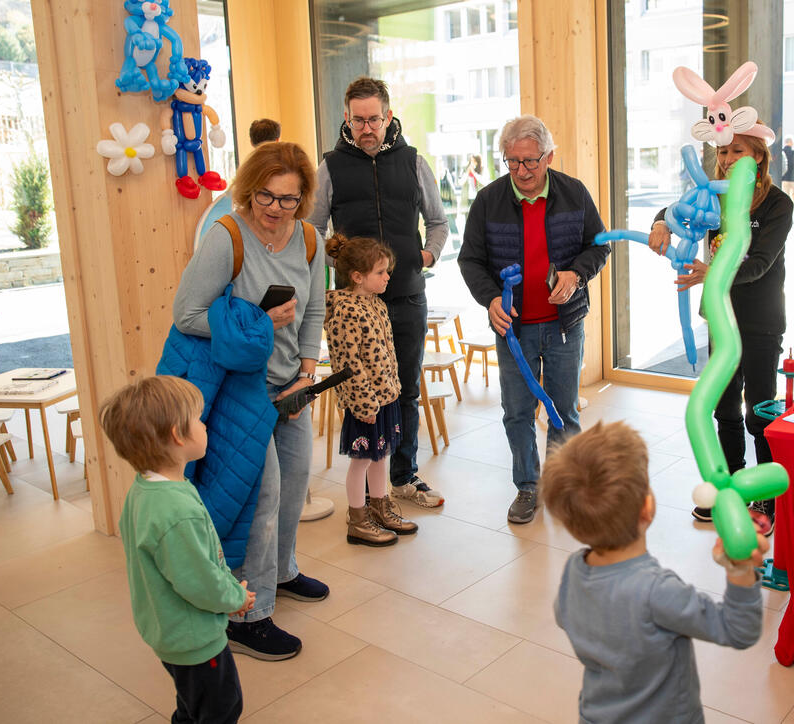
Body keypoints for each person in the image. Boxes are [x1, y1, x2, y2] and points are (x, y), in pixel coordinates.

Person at [174, 141, 328, 662]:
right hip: (241, 391)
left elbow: (313, 313)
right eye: (265, 195)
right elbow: (188, 316)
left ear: (304, 196)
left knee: (294, 488)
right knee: (258, 500)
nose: (274, 209)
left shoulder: (310, 239)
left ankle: (280, 573)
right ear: (249, 189)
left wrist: (307, 371)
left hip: (291, 385)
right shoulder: (227, 236)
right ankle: (246, 614)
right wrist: (258, 321)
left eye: (288, 198)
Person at [542, 420, 767, 723]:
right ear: (647, 508)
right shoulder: (658, 592)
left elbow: (563, 615)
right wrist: (740, 572)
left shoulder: (573, 569)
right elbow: (739, 631)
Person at [458, 114, 610, 524]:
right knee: (517, 411)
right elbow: (470, 260)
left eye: (530, 161)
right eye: (512, 162)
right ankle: (528, 487)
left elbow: (600, 247)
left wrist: (576, 273)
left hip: (564, 325)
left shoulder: (574, 193)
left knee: (564, 410)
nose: (521, 171)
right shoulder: (489, 200)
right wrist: (490, 298)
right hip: (513, 330)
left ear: (549, 157)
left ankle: (565, 486)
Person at [307, 76, 448, 510]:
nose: (366, 128)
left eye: (374, 119)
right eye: (358, 119)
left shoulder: (412, 162)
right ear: (346, 118)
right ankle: (369, 491)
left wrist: (425, 257)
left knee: (404, 390)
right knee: (363, 395)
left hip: (405, 296)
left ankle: (404, 478)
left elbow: (439, 222)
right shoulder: (330, 166)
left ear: (388, 117)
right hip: (353, 308)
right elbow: (311, 229)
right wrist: (344, 267)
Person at [649, 120, 792, 529]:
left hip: (761, 321)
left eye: (737, 152)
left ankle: (764, 495)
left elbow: (760, 265)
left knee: (759, 412)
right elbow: (677, 210)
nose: (727, 161)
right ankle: (726, 485)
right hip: (719, 316)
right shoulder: (710, 196)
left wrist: (711, 275)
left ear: (759, 157)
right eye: (723, 153)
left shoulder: (777, 205)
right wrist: (661, 222)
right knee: (726, 407)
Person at [100, 376, 257, 724]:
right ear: (177, 435)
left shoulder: (145, 490)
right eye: (198, 419)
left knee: (192, 704)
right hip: (194, 638)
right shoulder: (175, 510)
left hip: (168, 629)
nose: (204, 426)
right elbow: (197, 580)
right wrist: (235, 598)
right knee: (220, 708)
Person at [324, 234, 418, 546]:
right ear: (357, 277)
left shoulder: (375, 303)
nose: (387, 277)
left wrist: (391, 388)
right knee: (362, 460)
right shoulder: (345, 310)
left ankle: (380, 508)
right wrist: (364, 401)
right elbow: (348, 362)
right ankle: (358, 519)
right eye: (381, 272)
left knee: (382, 456)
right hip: (364, 402)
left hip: (385, 396)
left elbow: (385, 352)